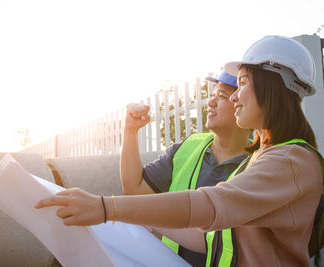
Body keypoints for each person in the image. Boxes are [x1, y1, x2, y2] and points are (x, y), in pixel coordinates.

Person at [35, 36, 323, 266]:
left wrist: (106, 208)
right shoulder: (268, 156)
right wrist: (141, 220)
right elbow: (212, 238)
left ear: (272, 86)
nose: (234, 95)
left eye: (243, 83)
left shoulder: (291, 161)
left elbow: (210, 205)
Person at [120, 70, 250, 267]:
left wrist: (152, 218)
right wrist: (130, 130)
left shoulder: (259, 165)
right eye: (212, 94)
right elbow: (134, 190)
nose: (210, 103)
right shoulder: (186, 149)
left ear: (243, 103)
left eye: (221, 96)